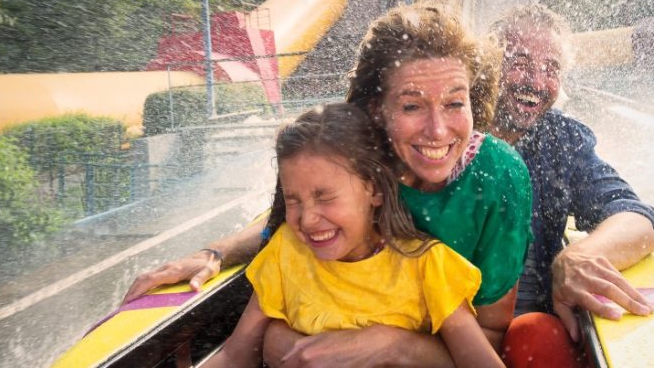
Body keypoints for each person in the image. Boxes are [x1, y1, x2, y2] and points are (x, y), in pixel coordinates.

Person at [123, 5, 533, 367]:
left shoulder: (493, 182)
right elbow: (301, 222)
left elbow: (489, 338)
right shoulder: (355, 160)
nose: (438, 130)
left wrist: (387, 345)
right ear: (376, 110)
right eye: (411, 106)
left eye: (455, 102)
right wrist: (218, 252)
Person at [203, 104, 502, 368]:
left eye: (324, 197)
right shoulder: (286, 250)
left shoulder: (429, 266)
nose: (307, 219)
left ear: (374, 189)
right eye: (293, 200)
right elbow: (235, 357)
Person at [489, 4, 654, 368]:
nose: (536, 83)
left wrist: (577, 257)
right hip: (446, 324)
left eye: (550, 69)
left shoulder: (560, 141)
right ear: (489, 64)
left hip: (525, 336)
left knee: (536, 336)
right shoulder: (449, 129)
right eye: (520, 62)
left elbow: (635, 220)